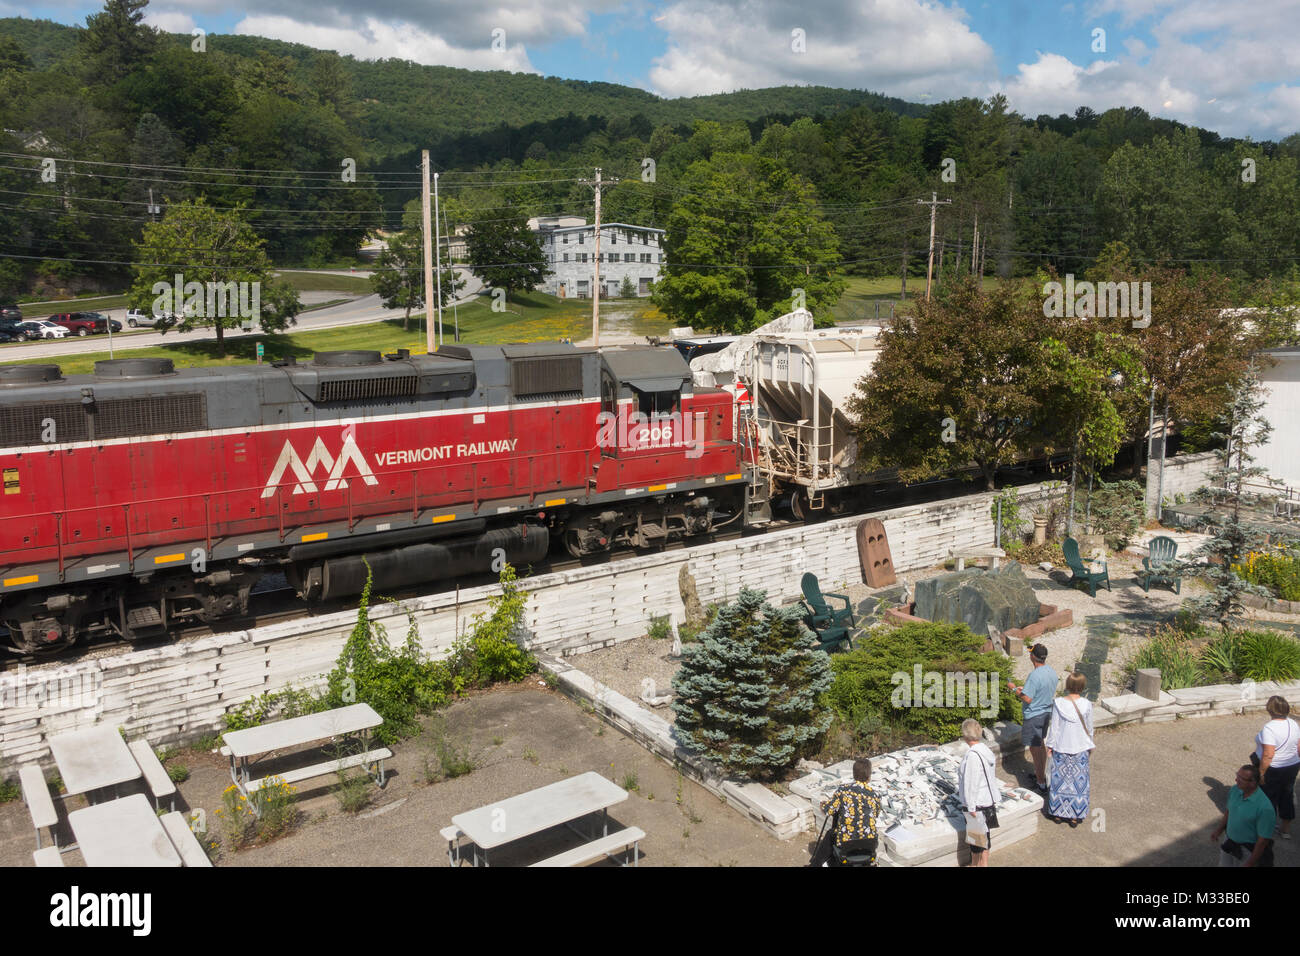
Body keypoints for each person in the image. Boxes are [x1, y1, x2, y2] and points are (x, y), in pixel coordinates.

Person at [1043, 670, 1096, 827]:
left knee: (1059, 781)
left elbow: (1055, 727)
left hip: (1061, 746)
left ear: (1068, 685)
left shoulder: (1059, 703)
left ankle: (1057, 812)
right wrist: (1090, 743)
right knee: (1078, 783)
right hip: (1080, 747)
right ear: (1082, 686)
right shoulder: (1086, 705)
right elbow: (1090, 727)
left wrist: (1050, 745)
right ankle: (1075, 815)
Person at [1008, 643, 1058, 793]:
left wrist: (1014, 689)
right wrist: (1026, 689)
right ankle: (1040, 774)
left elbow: (1028, 699)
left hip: (1034, 715)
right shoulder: (1050, 671)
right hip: (1046, 713)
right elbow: (1040, 690)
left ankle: (1041, 782)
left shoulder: (1035, 675)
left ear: (1033, 657)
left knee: (1035, 749)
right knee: (1040, 744)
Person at [818, 758, 882, 866]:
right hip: (869, 844)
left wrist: (822, 804)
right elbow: (875, 814)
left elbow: (828, 810)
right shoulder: (875, 795)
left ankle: (816, 863)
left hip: (846, 844)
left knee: (831, 834)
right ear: (869, 776)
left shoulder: (843, 790)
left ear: (853, 774)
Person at [1211, 764, 1275, 867]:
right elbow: (1229, 811)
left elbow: (1262, 841)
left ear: (1253, 783)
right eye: (1237, 775)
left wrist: (1250, 863)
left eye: (1241, 778)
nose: (1236, 780)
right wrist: (1219, 829)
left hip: (1247, 851)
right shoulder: (1235, 790)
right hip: (1229, 842)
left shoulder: (1265, 808)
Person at [1255, 695, 1300, 839]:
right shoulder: (1293, 723)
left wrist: (1261, 773)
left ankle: (1266, 829)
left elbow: (1268, 754)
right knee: (1287, 794)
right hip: (1292, 765)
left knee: (1268, 797)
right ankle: (1285, 830)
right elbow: (1298, 745)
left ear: (1270, 709)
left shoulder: (1270, 728)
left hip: (1274, 768)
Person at [958, 718, 998, 867]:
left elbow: (970, 784)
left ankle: (975, 865)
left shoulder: (972, 756)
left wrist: (971, 807)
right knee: (985, 836)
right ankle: (985, 864)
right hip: (987, 799)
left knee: (976, 841)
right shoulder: (985, 750)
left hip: (977, 803)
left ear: (966, 736)